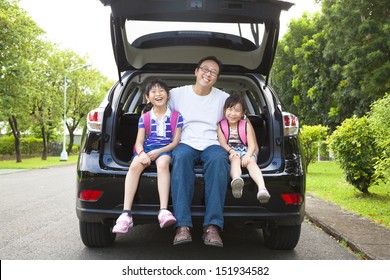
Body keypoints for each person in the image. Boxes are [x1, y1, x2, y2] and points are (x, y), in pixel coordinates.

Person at [169, 56, 230, 247]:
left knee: (220, 159)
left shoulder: (223, 98)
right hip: (185, 142)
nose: (208, 74)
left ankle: (212, 227)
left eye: (213, 72)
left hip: (213, 143)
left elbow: (236, 121)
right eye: (205, 69)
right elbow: (159, 112)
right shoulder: (176, 94)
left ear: (217, 78)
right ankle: (183, 226)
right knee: (179, 156)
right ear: (196, 71)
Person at [112, 79, 183, 234]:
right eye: (153, 92)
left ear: (168, 95)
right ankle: (125, 214)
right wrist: (142, 153)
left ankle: (163, 210)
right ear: (147, 97)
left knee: (163, 163)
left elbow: (176, 142)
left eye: (161, 91)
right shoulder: (144, 118)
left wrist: (159, 152)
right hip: (147, 149)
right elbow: (138, 142)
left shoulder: (176, 117)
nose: (158, 94)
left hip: (165, 149)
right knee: (135, 165)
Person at [217, 93, 270, 203]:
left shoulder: (245, 125)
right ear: (224, 110)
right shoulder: (220, 125)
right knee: (234, 159)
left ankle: (262, 188)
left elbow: (252, 145)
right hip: (232, 151)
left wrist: (247, 155)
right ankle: (237, 181)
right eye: (230, 109)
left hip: (246, 151)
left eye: (237, 110)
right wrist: (231, 151)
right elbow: (223, 143)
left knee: (251, 162)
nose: (233, 113)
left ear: (243, 113)